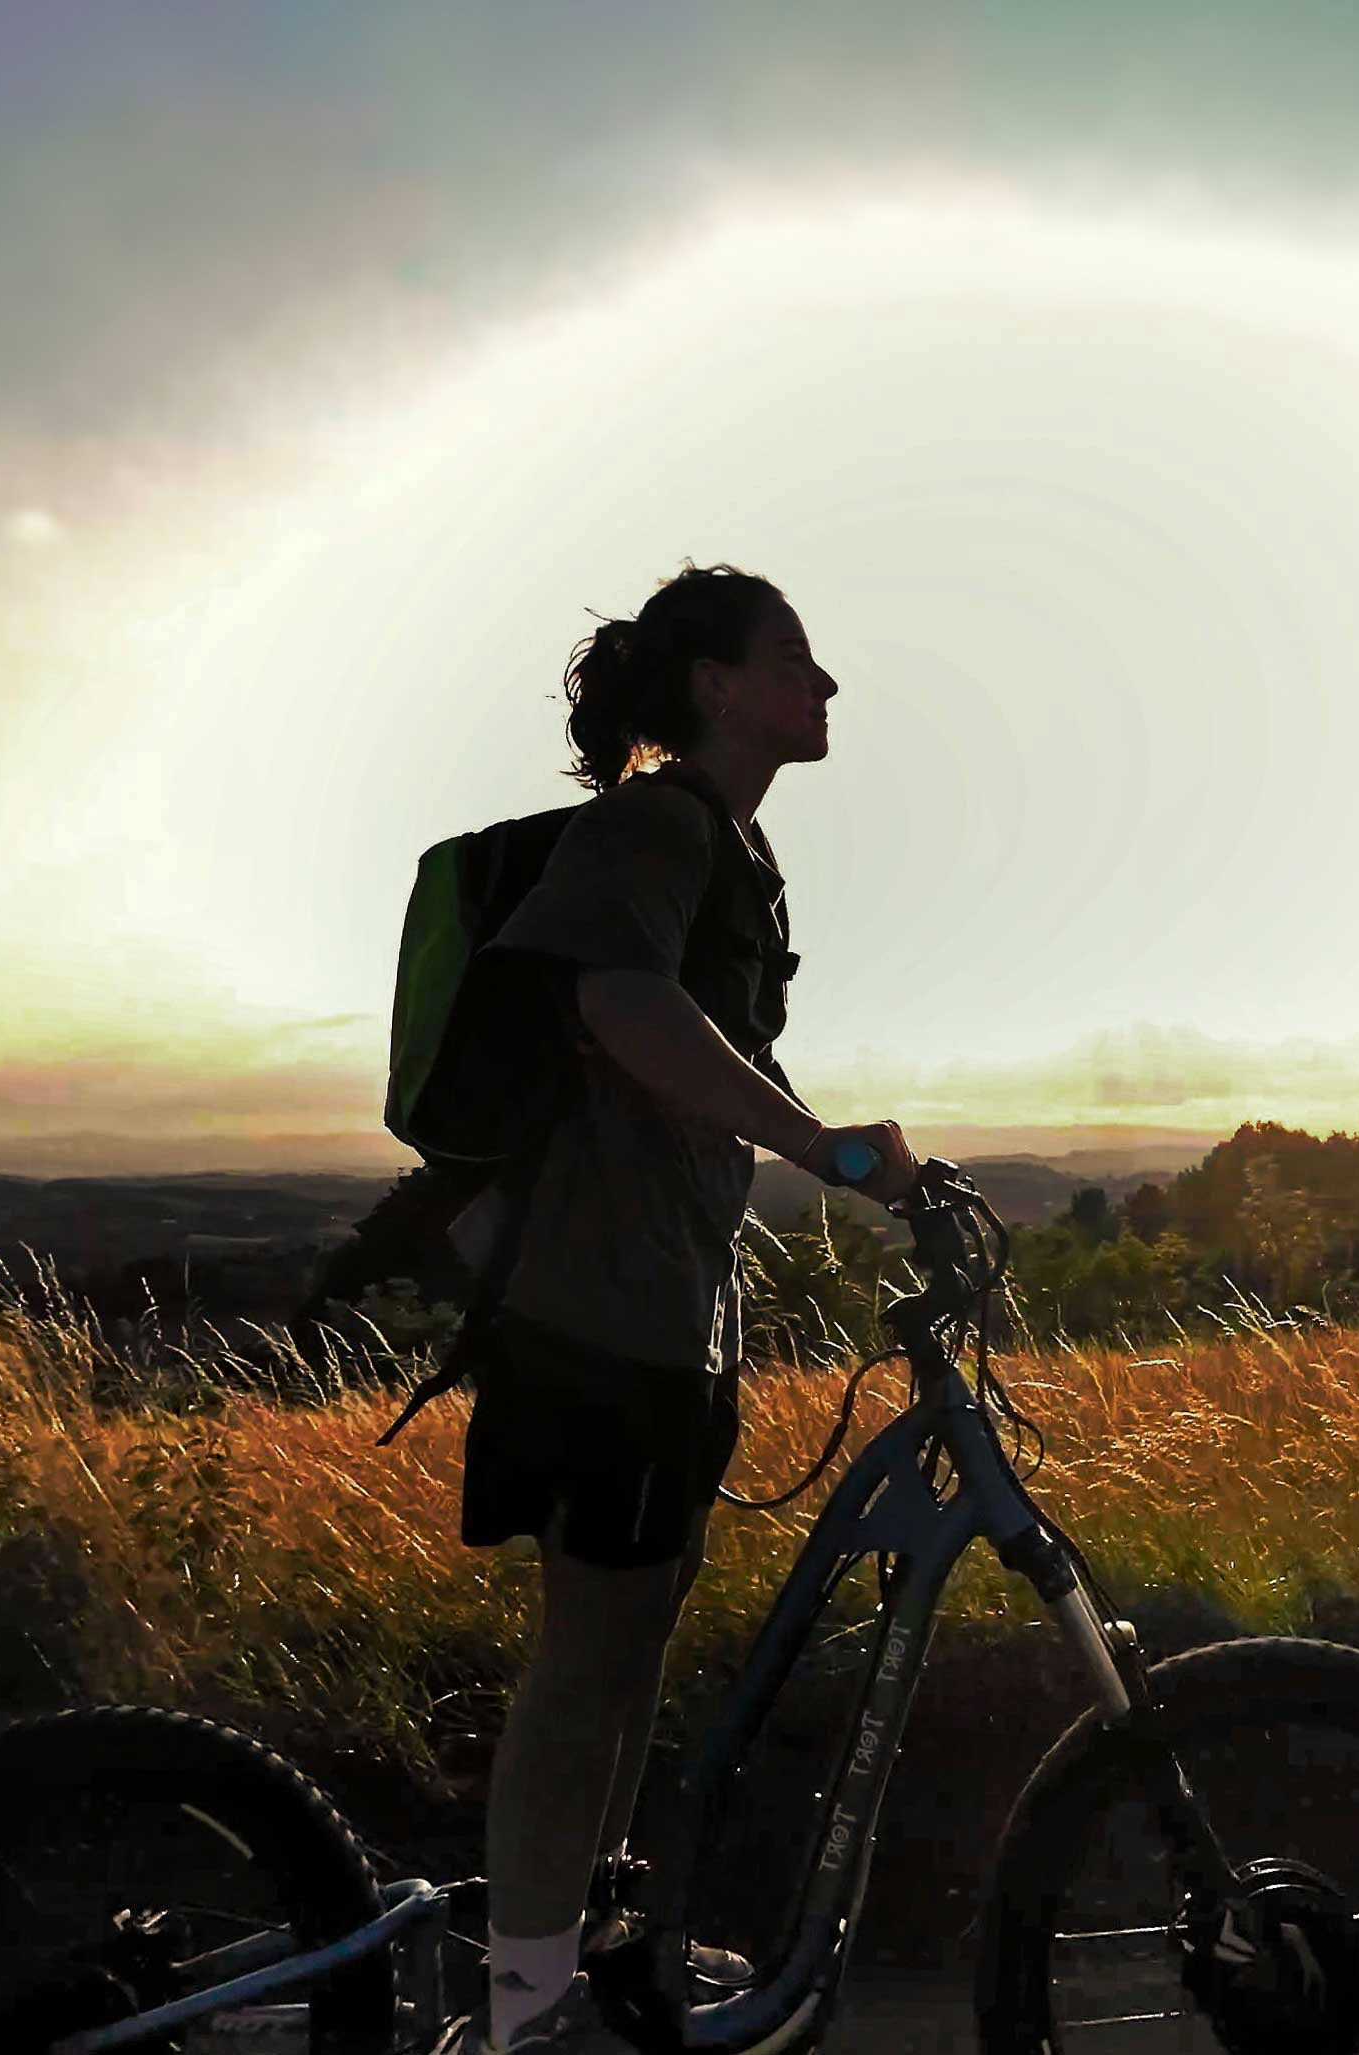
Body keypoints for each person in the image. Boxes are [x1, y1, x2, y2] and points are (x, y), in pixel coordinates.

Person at [432, 561, 919, 2055]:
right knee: (591, 1656)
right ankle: (524, 2014)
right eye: (795, 656)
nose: (826, 685)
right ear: (716, 685)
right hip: (597, 1301)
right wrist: (822, 1148)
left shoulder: (728, 851)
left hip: (656, 1300)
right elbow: (618, 1005)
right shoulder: (658, 822)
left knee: (630, 1633)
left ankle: (561, 1954)